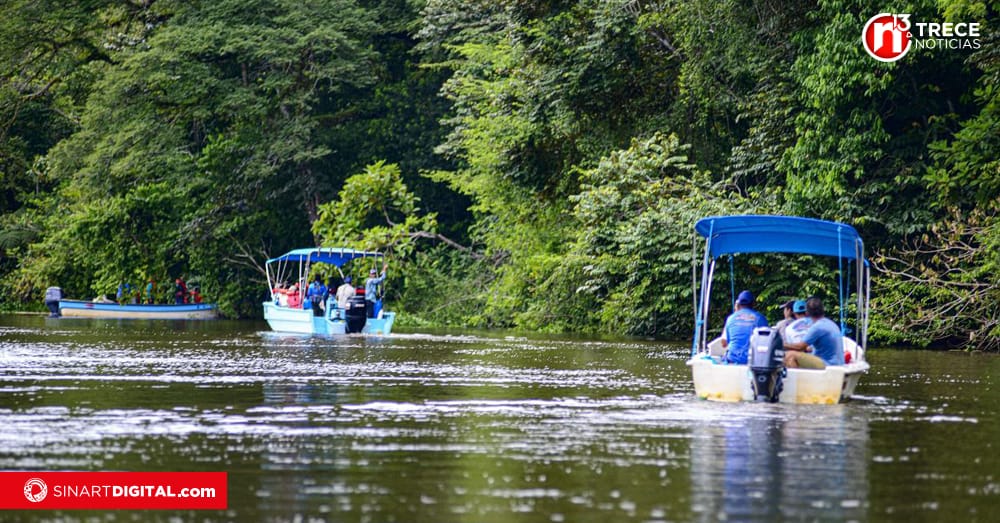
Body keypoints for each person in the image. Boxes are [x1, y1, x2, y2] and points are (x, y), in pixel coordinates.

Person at [784, 297, 845, 369]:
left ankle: (798, 380)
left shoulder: (817, 327)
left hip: (828, 364)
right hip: (839, 363)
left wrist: (781, 344)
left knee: (790, 355)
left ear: (807, 312)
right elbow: (810, 348)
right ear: (823, 310)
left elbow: (800, 347)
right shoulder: (830, 323)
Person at [720, 290, 769, 364]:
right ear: (753, 304)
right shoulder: (760, 318)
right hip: (753, 361)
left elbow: (724, 343)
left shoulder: (731, 318)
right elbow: (766, 342)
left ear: (738, 304)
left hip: (732, 359)